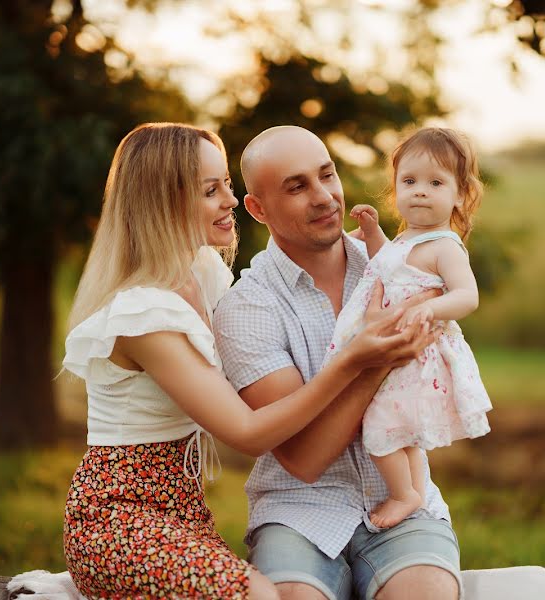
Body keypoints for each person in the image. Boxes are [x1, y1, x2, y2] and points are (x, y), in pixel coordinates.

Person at [60, 123, 432, 599]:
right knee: (261, 595)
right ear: (163, 202)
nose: (230, 202)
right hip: (119, 516)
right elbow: (249, 434)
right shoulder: (144, 313)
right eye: (210, 190)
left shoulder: (204, 275)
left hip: (181, 509)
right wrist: (354, 359)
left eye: (228, 186)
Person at [214, 126, 464, 600]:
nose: (324, 196)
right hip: (297, 512)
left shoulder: (398, 268)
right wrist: (368, 361)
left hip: (402, 500)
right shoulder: (245, 308)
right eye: (297, 186)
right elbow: (303, 459)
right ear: (258, 209)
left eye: (327, 175)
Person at [328, 127, 493, 530]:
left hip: (415, 357)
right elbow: (388, 264)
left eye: (435, 183)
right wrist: (371, 233)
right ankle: (415, 494)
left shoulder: (445, 246)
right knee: (403, 430)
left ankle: (404, 494)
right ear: (396, 188)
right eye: (409, 181)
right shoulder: (405, 239)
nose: (420, 191)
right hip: (392, 351)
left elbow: (466, 296)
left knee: (380, 428)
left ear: (459, 195)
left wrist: (432, 308)